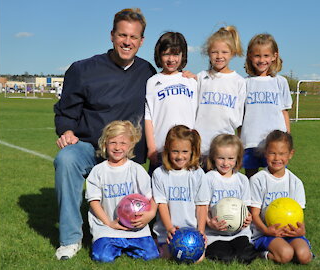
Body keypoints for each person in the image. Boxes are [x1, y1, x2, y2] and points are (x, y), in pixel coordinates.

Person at [52, 8, 157, 260]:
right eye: (122, 35)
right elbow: (66, 110)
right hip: (91, 147)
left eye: (133, 37)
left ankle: (153, 229)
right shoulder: (83, 69)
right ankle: (70, 239)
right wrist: (66, 130)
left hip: (129, 153)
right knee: (66, 159)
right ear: (112, 35)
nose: (127, 42)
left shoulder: (148, 72)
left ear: (141, 41)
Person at [85, 120, 159, 263]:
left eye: (123, 143)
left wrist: (150, 214)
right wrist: (109, 223)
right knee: (102, 257)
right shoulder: (98, 171)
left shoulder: (136, 169)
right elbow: (93, 201)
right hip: (107, 228)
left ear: (130, 145)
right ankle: (114, 245)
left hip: (136, 230)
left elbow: (152, 197)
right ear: (105, 143)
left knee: (151, 255)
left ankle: (130, 244)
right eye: (113, 142)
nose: (118, 147)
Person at [249, 130, 313, 264]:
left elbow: (299, 213)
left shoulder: (295, 182)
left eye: (282, 154)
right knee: (286, 255)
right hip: (265, 233)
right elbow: (254, 215)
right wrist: (267, 231)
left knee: (304, 256)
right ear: (265, 153)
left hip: (290, 232)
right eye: (272, 153)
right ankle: (262, 253)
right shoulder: (258, 180)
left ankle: (291, 247)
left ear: (291, 154)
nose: (277, 158)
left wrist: (301, 230)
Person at [151, 125, 208, 262]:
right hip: (168, 231)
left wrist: (200, 231)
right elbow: (162, 204)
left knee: (198, 259)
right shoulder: (160, 174)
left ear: (192, 151)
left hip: (191, 232)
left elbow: (201, 205)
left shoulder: (198, 173)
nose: (180, 156)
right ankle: (156, 241)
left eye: (184, 151)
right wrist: (170, 228)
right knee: (168, 256)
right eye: (175, 151)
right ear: (167, 150)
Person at [240, 33, 293, 179]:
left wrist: (287, 138)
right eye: (257, 55)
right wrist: (240, 138)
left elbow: (284, 112)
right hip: (250, 141)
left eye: (266, 55)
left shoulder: (280, 82)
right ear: (250, 56)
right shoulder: (244, 83)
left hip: (275, 143)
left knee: (275, 178)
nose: (261, 60)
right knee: (251, 180)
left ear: (274, 56)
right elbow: (241, 115)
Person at [144, 32, 198, 175]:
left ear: (183, 55)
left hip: (187, 149)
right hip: (162, 149)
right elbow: (148, 116)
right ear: (159, 55)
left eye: (176, 54)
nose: (171, 59)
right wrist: (151, 147)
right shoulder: (152, 82)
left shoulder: (190, 81)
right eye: (166, 54)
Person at [194, 26, 246, 170]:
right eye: (214, 52)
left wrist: (240, 149)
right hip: (200, 149)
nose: (219, 56)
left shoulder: (239, 82)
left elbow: (240, 122)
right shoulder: (200, 77)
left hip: (224, 151)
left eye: (224, 52)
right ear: (208, 53)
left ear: (233, 53)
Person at [202, 134, 257, 264]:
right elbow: (202, 206)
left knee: (245, 257)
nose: (226, 163)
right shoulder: (208, 179)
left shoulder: (242, 180)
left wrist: (248, 218)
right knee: (225, 257)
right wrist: (209, 222)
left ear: (237, 159)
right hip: (214, 235)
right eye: (221, 158)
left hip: (239, 233)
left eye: (231, 158)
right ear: (213, 157)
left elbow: (246, 207)